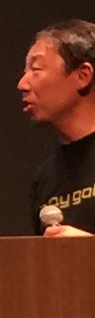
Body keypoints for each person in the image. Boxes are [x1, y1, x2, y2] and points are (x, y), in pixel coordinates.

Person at [17, 19, 95, 237]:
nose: (22, 84)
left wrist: (88, 248)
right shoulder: (45, 179)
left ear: (83, 75)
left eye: (36, 69)